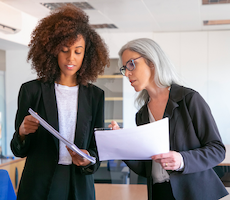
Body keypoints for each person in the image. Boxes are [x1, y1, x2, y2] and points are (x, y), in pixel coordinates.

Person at [109, 38, 229, 200]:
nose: (127, 73)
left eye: (131, 64)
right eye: (125, 68)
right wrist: (121, 142)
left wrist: (182, 160)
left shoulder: (189, 99)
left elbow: (217, 150)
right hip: (160, 193)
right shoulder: (142, 115)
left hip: (194, 193)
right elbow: (146, 168)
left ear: (151, 62)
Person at [10, 4, 109, 200]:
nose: (70, 57)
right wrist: (21, 132)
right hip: (39, 185)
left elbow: (97, 151)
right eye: (64, 50)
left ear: (87, 55)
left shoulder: (95, 96)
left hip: (78, 185)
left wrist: (87, 158)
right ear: (53, 51)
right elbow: (18, 149)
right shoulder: (31, 91)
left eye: (77, 51)